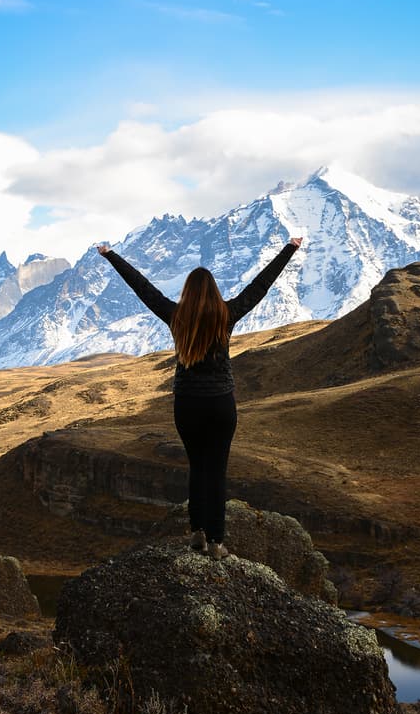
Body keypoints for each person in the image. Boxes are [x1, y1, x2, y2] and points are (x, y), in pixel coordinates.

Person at [97, 237, 303, 560]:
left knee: (197, 467)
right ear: (215, 292)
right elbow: (260, 286)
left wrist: (112, 256)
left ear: (188, 293)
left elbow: (143, 288)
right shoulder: (227, 314)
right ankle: (217, 543)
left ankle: (197, 533)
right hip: (221, 405)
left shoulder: (176, 316)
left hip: (187, 406)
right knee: (216, 471)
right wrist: (289, 249)